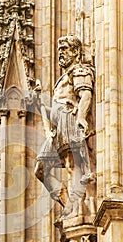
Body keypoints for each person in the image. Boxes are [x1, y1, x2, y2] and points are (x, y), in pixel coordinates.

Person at [34, 34, 95, 218]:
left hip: (69, 118)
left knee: (71, 163)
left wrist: (82, 117)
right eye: (59, 50)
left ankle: (77, 207)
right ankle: (67, 202)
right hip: (57, 126)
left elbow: (85, 95)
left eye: (64, 50)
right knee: (40, 169)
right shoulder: (62, 78)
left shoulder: (78, 71)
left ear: (76, 51)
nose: (60, 54)